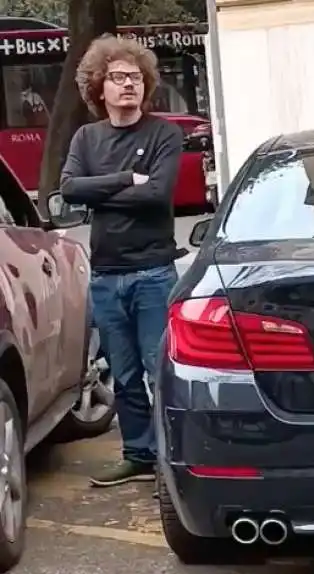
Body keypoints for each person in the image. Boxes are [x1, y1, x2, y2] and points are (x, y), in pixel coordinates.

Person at [60, 34, 184, 487]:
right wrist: (125, 178)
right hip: (106, 277)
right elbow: (70, 188)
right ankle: (138, 454)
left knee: (160, 371)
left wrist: (103, 192)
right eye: (117, 77)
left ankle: (173, 459)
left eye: (135, 77)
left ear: (145, 84)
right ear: (100, 86)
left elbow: (158, 194)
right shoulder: (87, 138)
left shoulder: (164, 134)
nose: (127, 85)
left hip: (153, 272)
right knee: (126, 377)